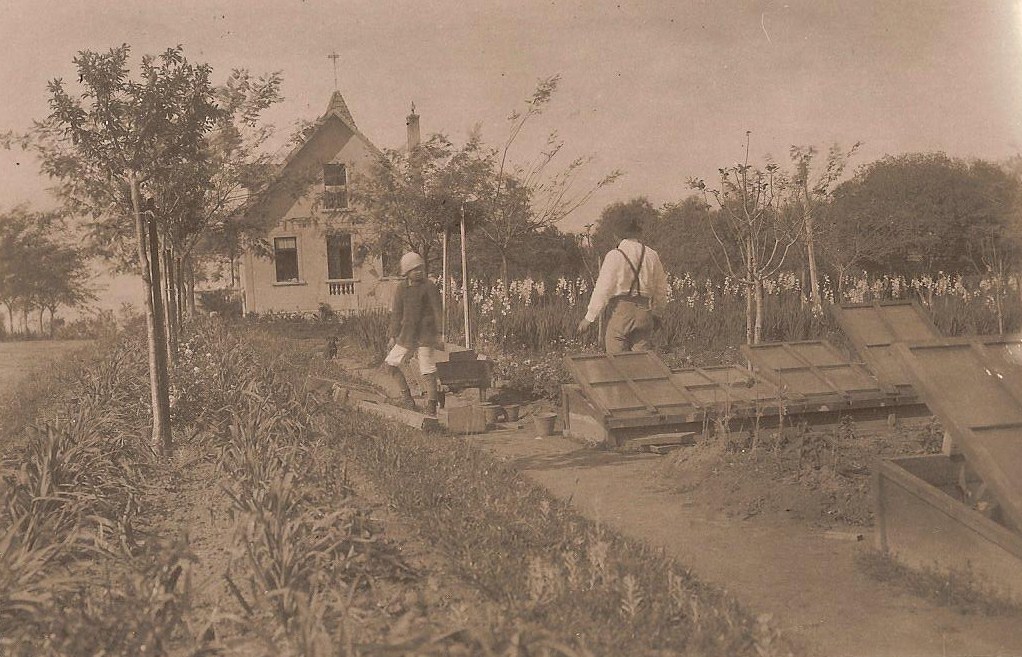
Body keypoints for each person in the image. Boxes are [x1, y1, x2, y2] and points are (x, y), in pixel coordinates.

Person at [576, 215, 668, 353]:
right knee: (641, 364)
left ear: (616, 236)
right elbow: (661, 289)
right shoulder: (652, 255)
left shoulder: (615, 255)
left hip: (622, 312)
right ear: (637, 233)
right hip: (644, 313)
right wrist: (657, 314)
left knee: (616, 363)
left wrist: (589, 318)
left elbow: (603, 289)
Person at [384, 251, 443, 414]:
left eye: (421, 268)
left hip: (426, 334)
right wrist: (392, 335)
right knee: (390, 365)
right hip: (407, 335)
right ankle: (408, 400)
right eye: (415, 269)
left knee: (427, 370)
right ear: (406, 272)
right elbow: (396, 314)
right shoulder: (401, 288)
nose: (419, 272)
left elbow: (438, 311)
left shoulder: (429, 286)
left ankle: (431, 407)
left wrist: (440, 332)